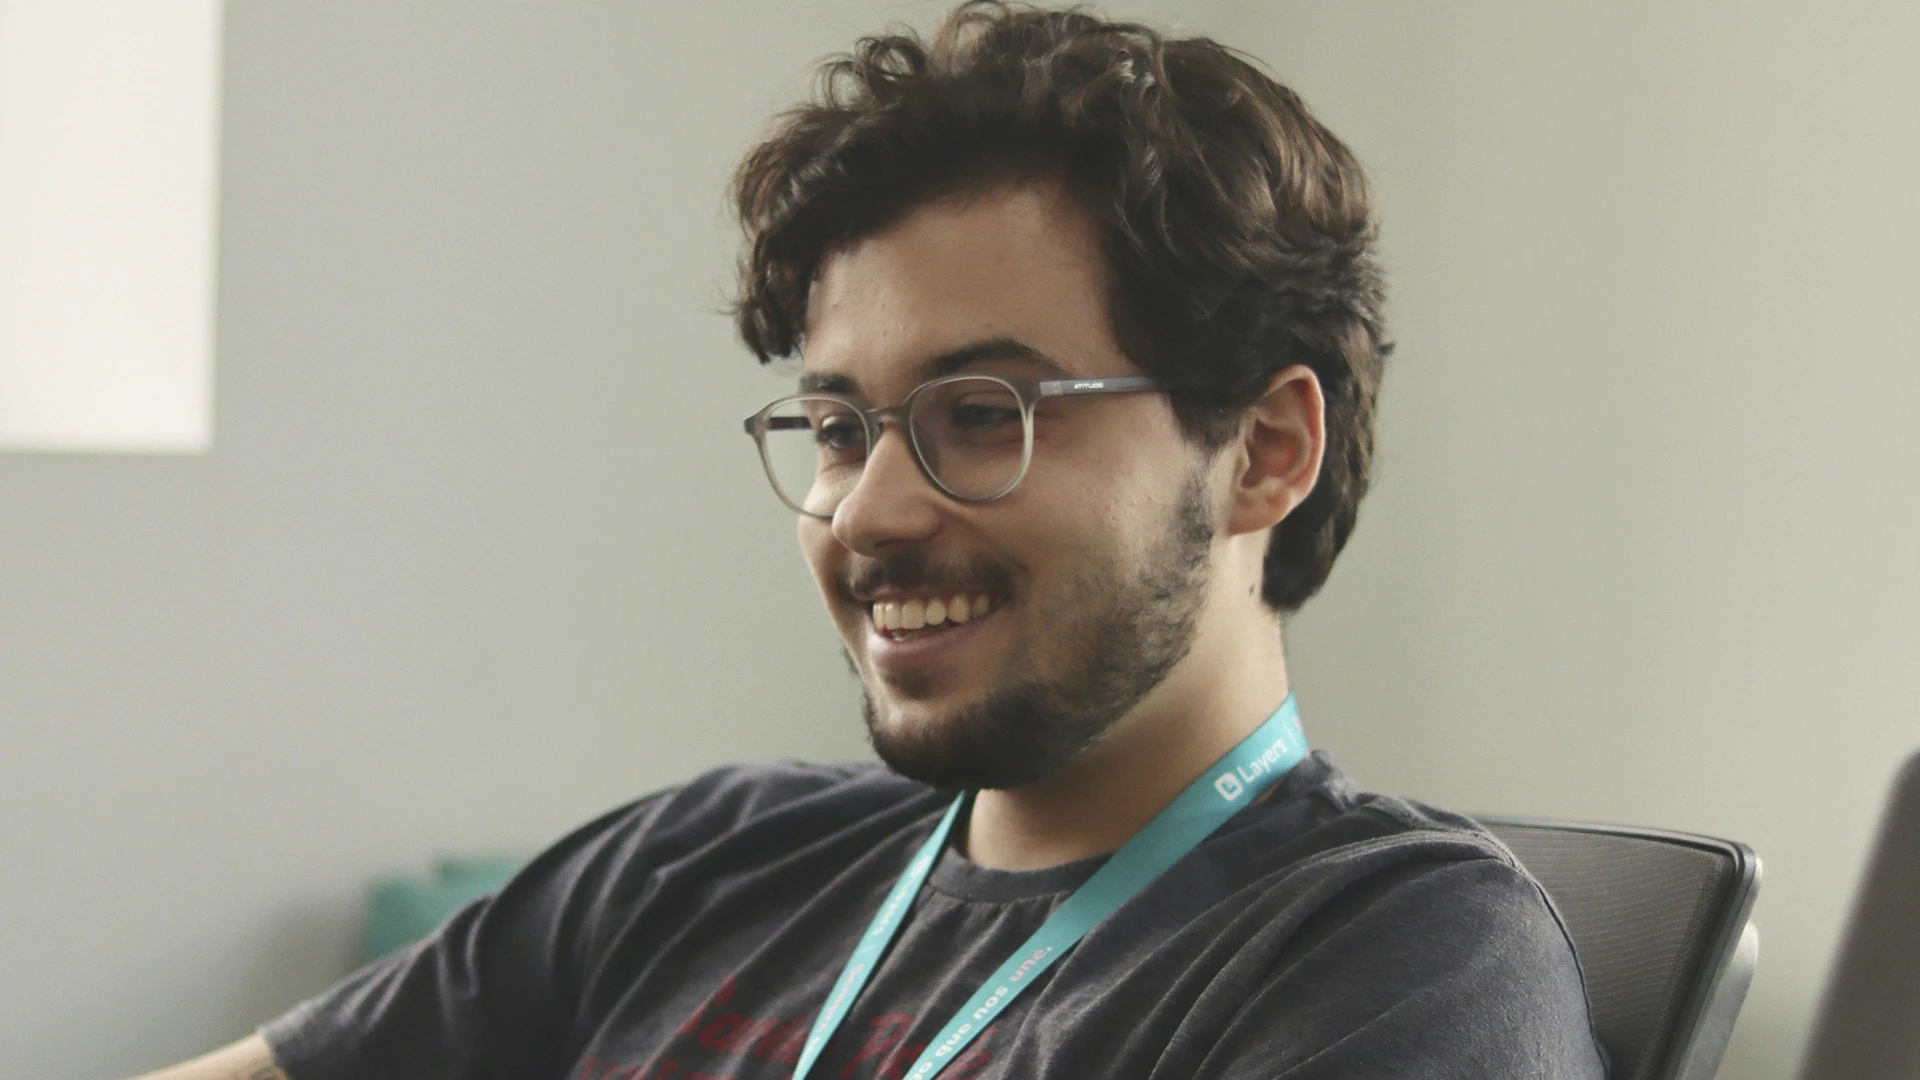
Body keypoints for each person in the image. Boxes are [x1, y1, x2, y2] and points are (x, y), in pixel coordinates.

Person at [135, 4, 1606, 1078]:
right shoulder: (700, 862)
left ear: (1264, 453)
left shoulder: (1400, 961)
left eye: (984, 413)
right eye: (840, 427)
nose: (869, 510)